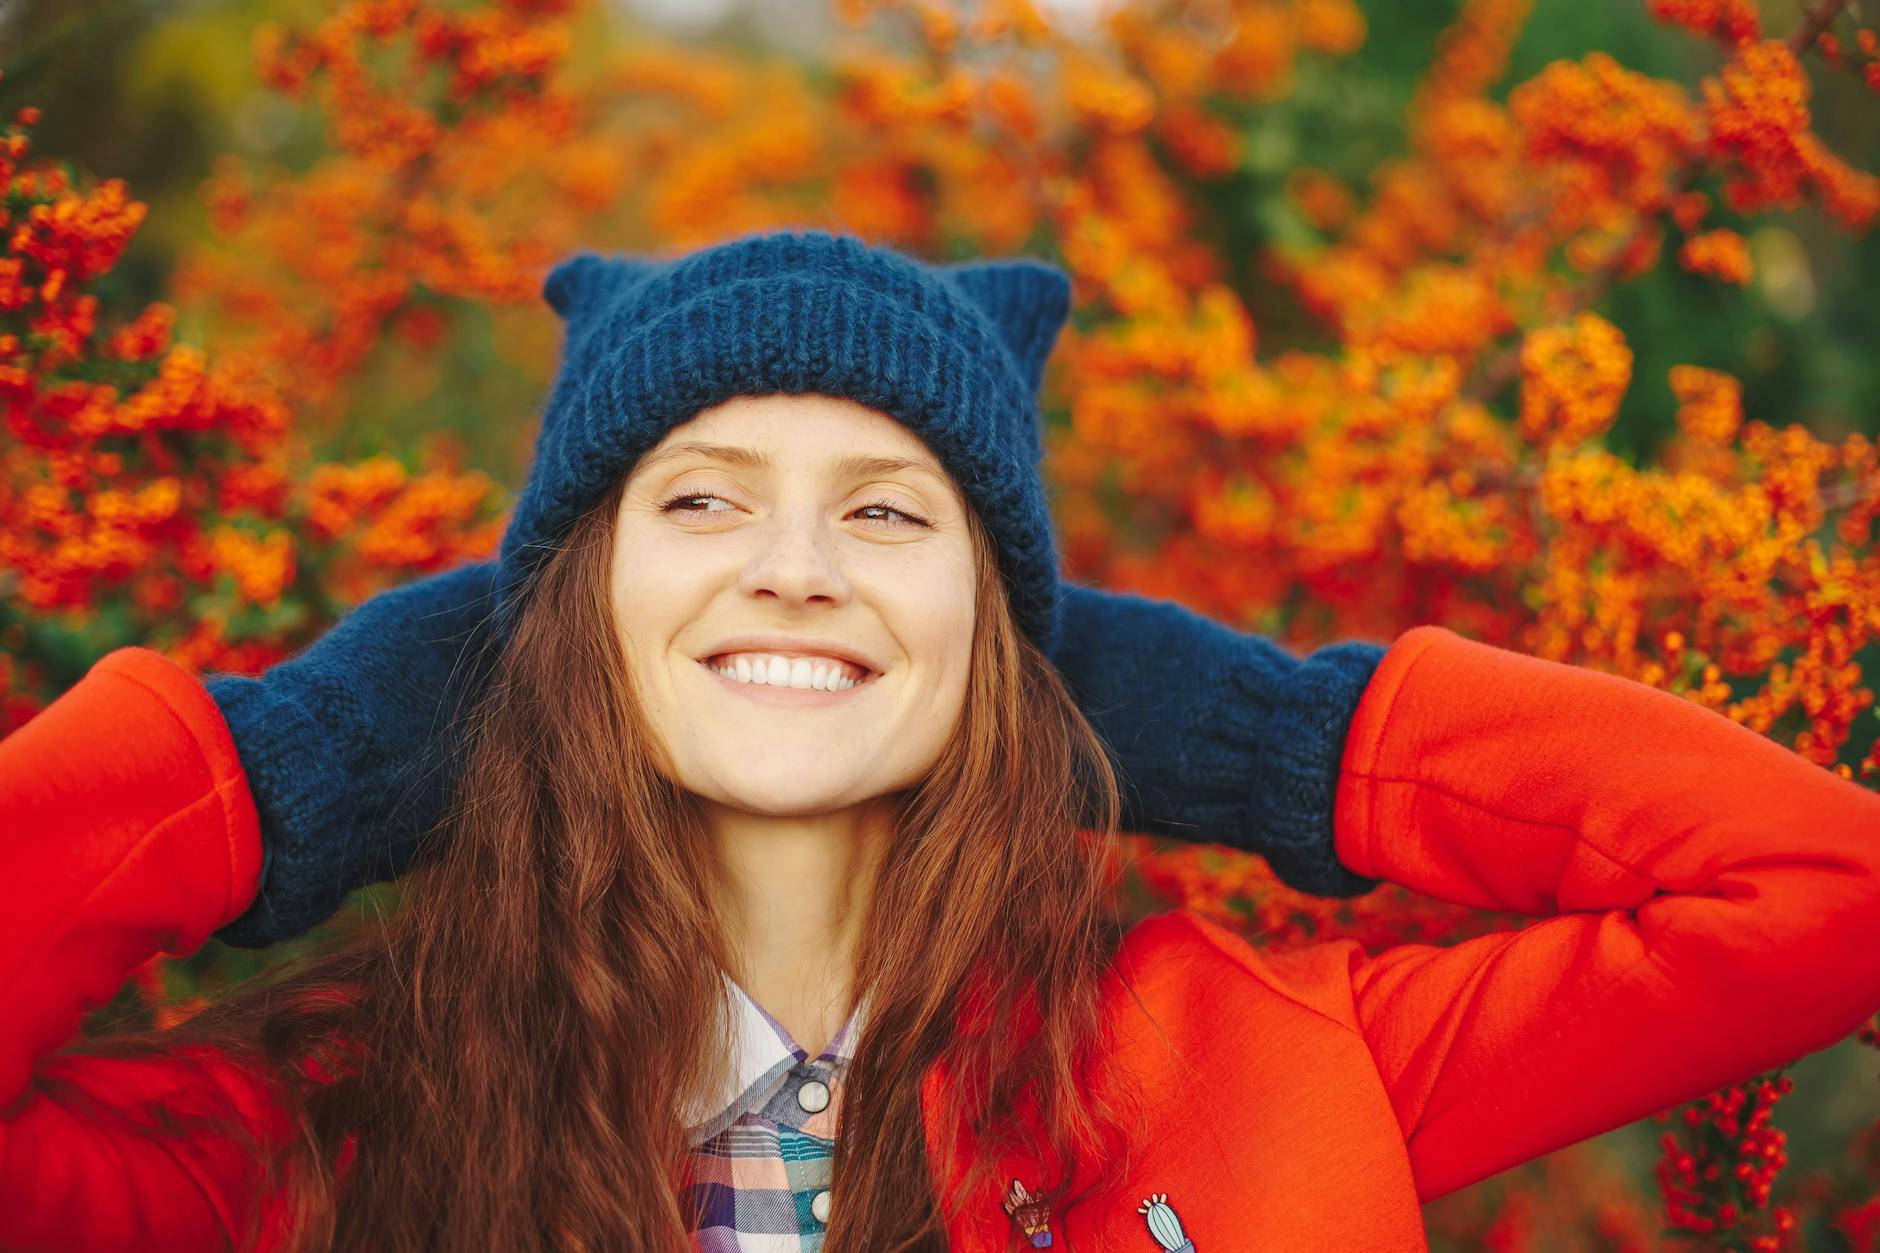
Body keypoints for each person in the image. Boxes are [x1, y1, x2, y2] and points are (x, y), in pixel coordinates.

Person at [3, 229, 1877, 1253]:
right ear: (570, 612)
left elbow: (1820, 889)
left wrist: (1259, 735)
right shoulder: (331, 1128)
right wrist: (298, 762)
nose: (798, 568)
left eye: (892, 515)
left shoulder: (1231, 1070)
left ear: (1003, 625)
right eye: (703, 501)